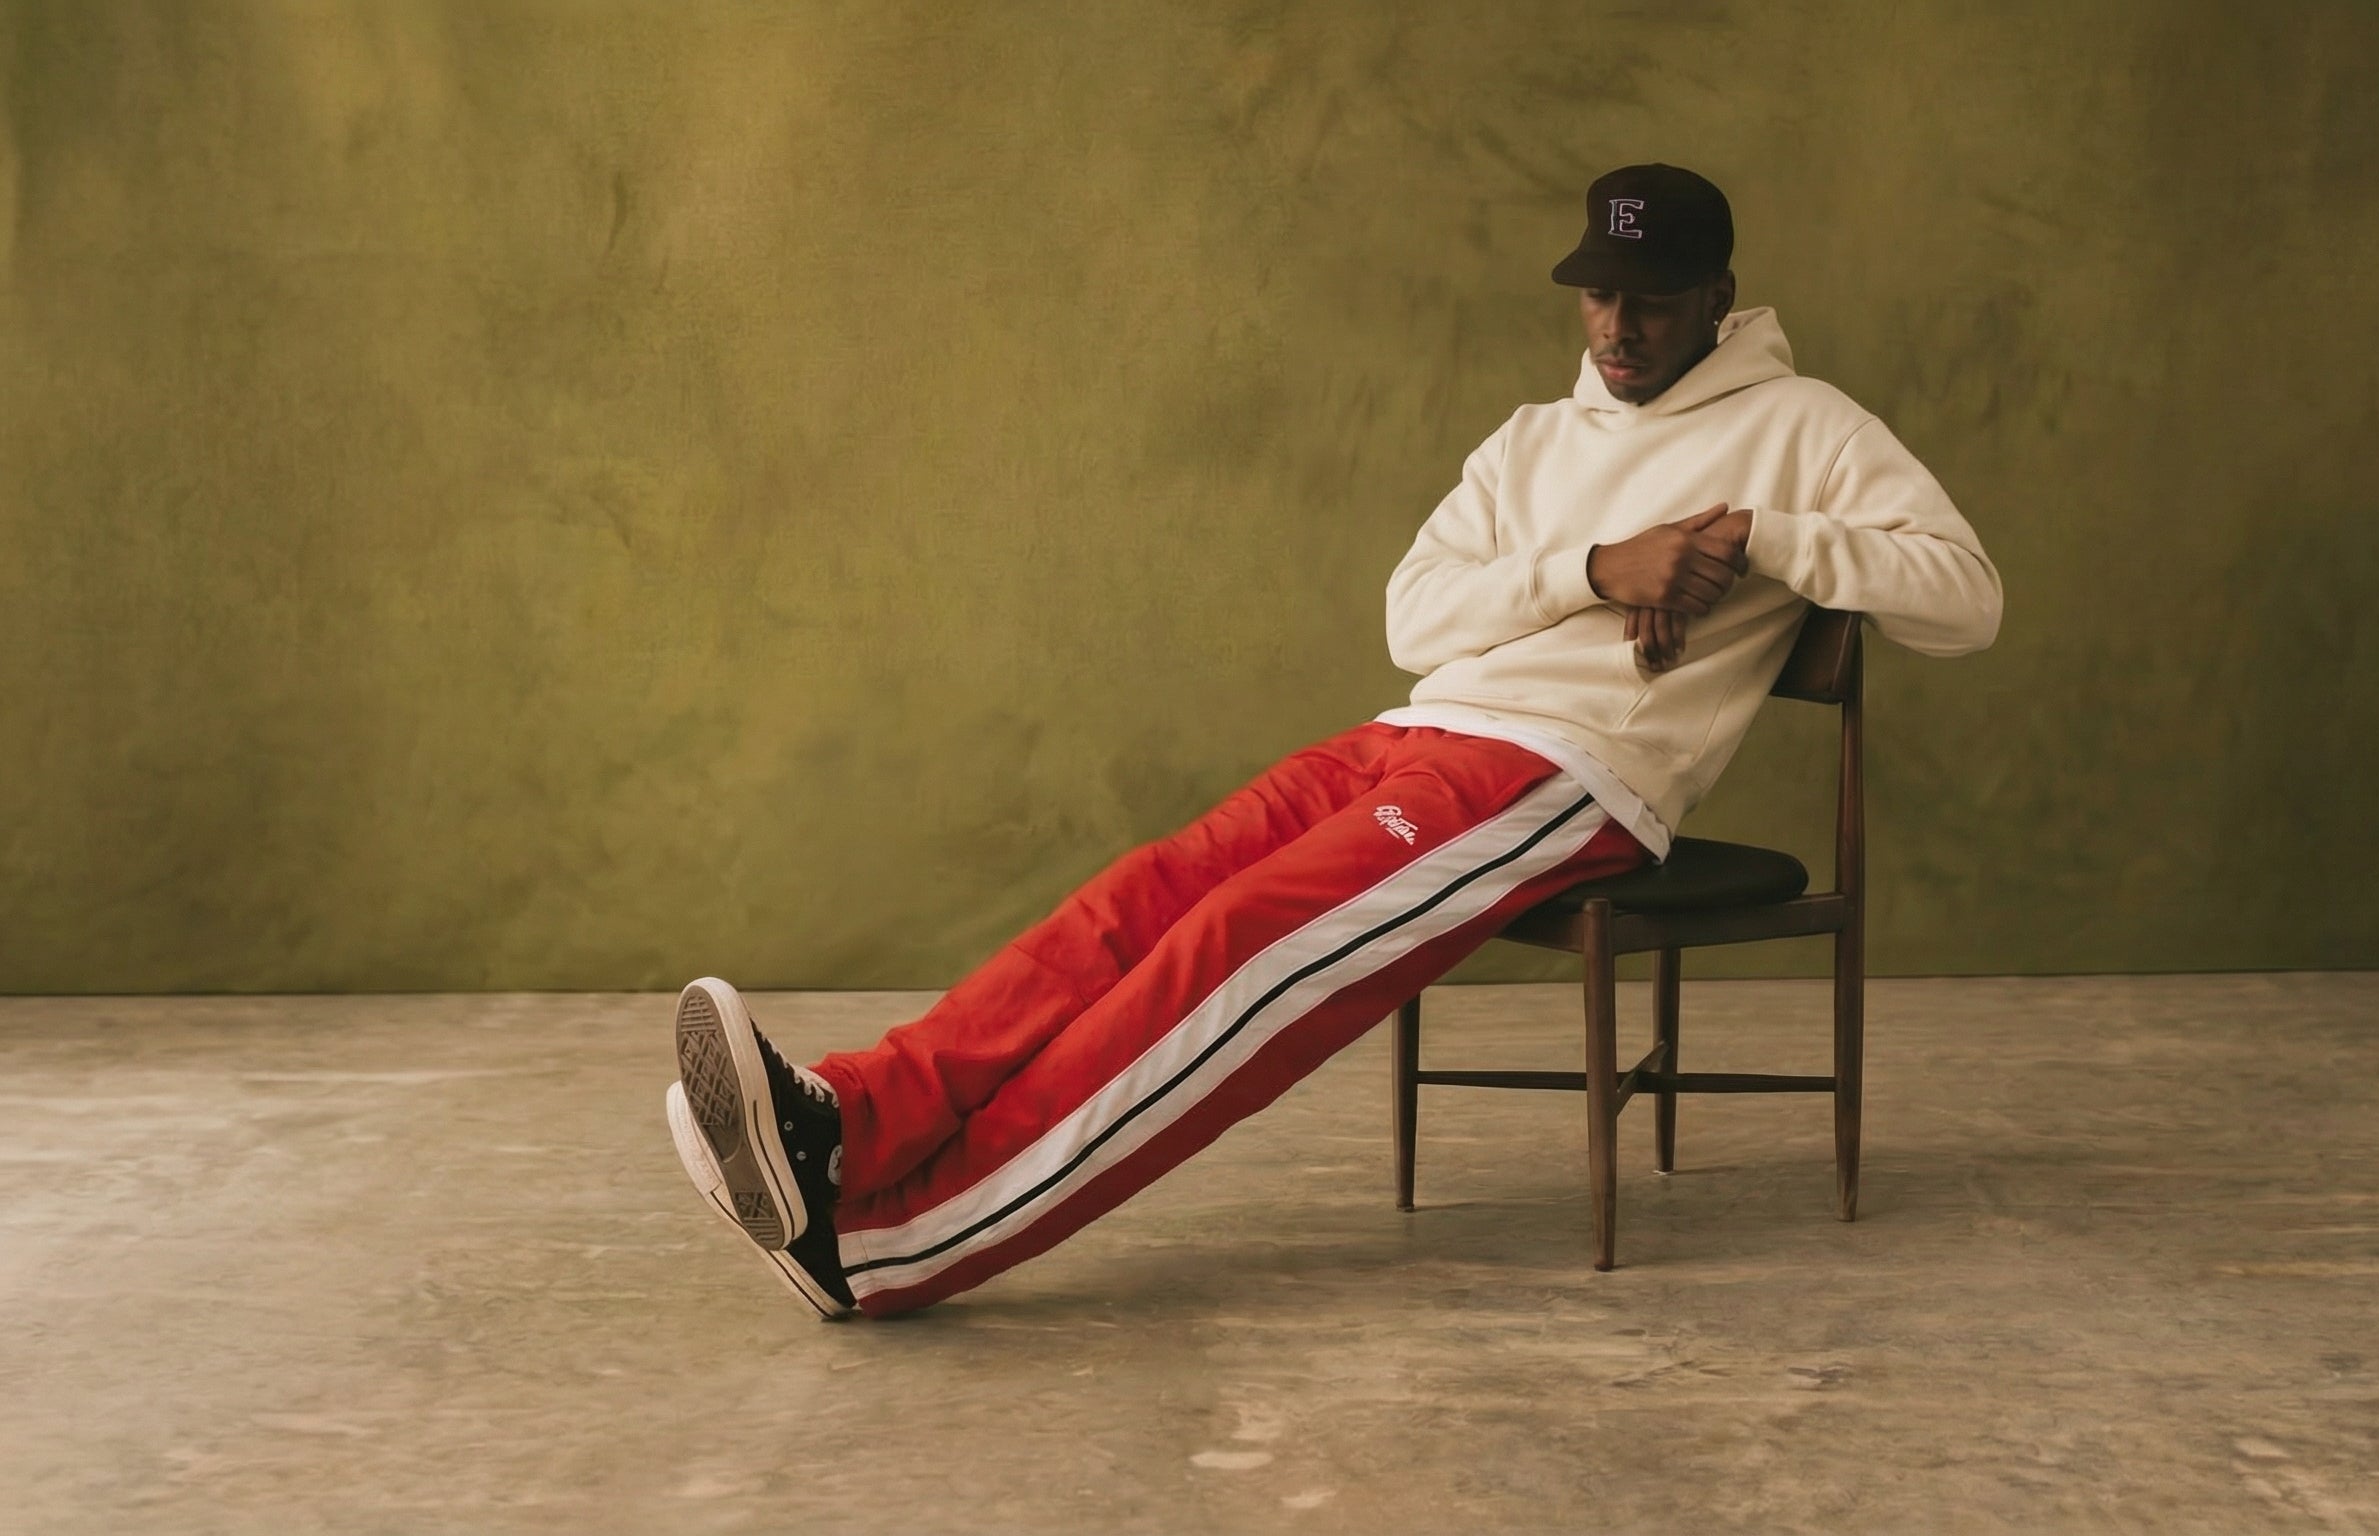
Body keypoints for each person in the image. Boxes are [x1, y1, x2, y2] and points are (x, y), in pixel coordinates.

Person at [662, 163, 2005, 1319]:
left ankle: (890, 1246)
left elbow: (1967, 601)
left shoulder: (1807, 428)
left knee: (1241, 949)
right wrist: (1604, 568)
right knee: (1137, 898)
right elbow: (1415, 614)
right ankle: (850, 1126)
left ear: (1720, 295)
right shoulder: (1532, 441)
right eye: (1597, 294)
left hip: (1554, 771)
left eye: (1651, 298)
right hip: (1408, 733)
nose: (1618, 326)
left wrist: (1759, 535)